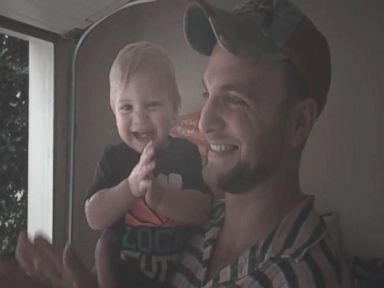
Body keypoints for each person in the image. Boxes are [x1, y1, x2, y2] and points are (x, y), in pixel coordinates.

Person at [15, 0, 351, 287]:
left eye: (235, 99)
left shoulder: (297, 274)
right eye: (208, 93)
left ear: (299, 122)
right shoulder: (205, 221)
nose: (204, 121)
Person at [84, 41, 211, 288]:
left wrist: (163, 199)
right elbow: (94, 217)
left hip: (180, 278)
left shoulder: (186, 152)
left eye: (152, 104)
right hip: (121, 279)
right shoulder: (115, 158)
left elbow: (203, 209)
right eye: (126, 107)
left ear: (174, 109)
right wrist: (129, 187)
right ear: (114, 111)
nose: (139, 118)